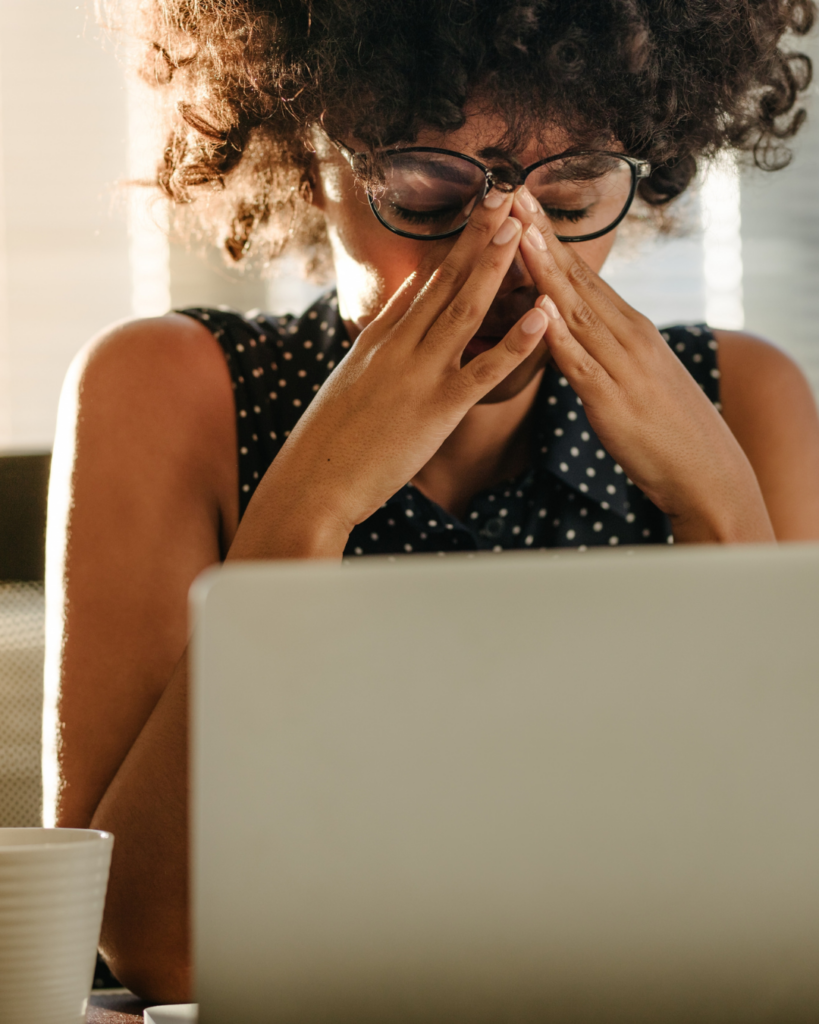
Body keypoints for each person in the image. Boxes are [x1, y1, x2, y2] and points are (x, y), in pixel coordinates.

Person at [46, 0, 819, 1002]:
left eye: (575, 196)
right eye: (421, 190)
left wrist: (721, 510)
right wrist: (311, 505)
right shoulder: (167, 390)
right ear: (305, 154)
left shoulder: (745, 401)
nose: (501, 256)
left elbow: (784, 917)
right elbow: (156, 945)